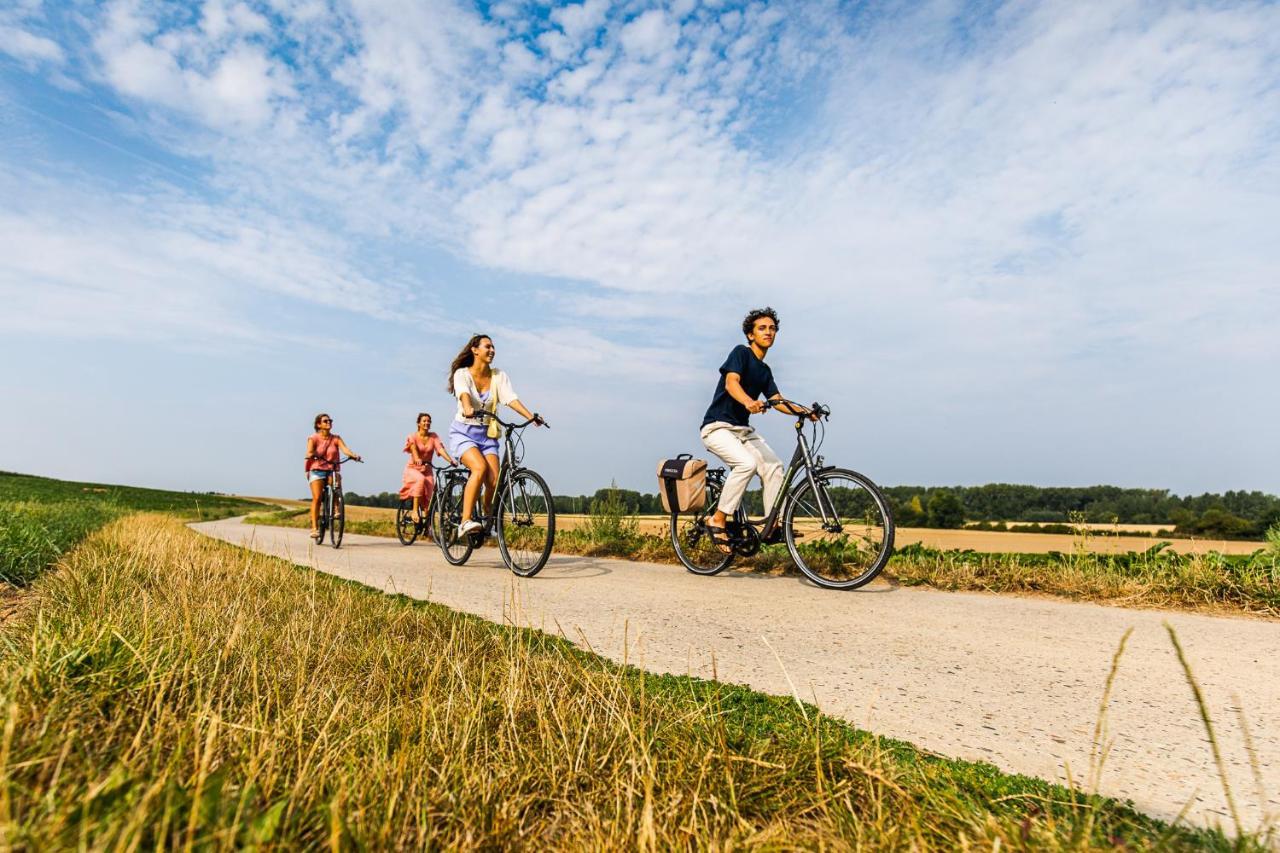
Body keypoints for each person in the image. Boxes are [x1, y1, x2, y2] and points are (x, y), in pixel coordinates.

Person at [700, 307, 815, 551]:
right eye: (762, 328)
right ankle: (717, 519)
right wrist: (748, 401)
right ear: (751, 334)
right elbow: (732, 383)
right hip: (717, 427)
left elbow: (779, 400)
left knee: (774, 466)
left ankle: (772, 525)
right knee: (746, 465)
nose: (768, 332)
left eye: (772, 328)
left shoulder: (765, 371)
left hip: (742, 430)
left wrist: (805, 411)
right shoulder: (740, 353)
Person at [446, 334, 546, 537]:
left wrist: (531, 416)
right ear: (475, 350)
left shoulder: (498, 376)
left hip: (488, 436)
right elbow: (464, 393)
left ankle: (486, 517)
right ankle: (465, 521)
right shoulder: (462, 374)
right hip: (464, 432)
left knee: (493, 481)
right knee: (479, 468)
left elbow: (510, 399)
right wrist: (467, 407)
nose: (492, 350)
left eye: (493, 347)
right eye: (487, 346)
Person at [304, 413, 361, 540]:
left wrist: (353, 455)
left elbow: (345, 449)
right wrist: (311, 454)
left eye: (330, 420)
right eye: (325, 421)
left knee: (336, 481)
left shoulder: (336, 438)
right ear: (319, 424)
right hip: (316, 470)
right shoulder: (313, 438)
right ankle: (314, 528)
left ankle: (336, 507)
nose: (329, 422)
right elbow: (309, 451)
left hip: (331, 469)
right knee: (317, 497)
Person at [400, 412, 454, 535]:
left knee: (431, 496)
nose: (427, 423)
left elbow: (440, 449)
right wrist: (417, 458)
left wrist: (450, 460)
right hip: (413, 468)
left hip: (428, 469)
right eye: (424, 421)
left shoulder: (433, 436)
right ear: (419, 423)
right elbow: (413, 449)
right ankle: (414, 511)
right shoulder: (413, 436)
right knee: (420, 480)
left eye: (429, 421)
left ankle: (428, 525)